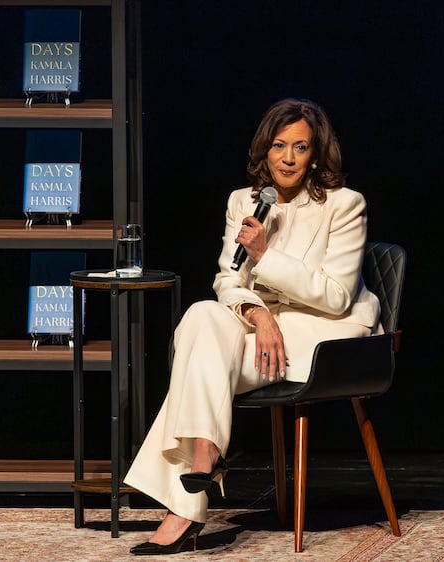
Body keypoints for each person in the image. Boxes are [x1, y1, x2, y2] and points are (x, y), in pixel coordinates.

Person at [124, 98, 381, 555]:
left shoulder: (345, 205)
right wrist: (259, 315)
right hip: (261, 328)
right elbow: (228, 279)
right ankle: (204, 454)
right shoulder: (243, 201)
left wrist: (265, 255)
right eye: (278, 146)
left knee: (198, 364)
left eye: (300, 148)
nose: (287, 158)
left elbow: (337, 297)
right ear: (264, 151)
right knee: (201, 316)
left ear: (315, 154)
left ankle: (186, 502)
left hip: (325, 334)